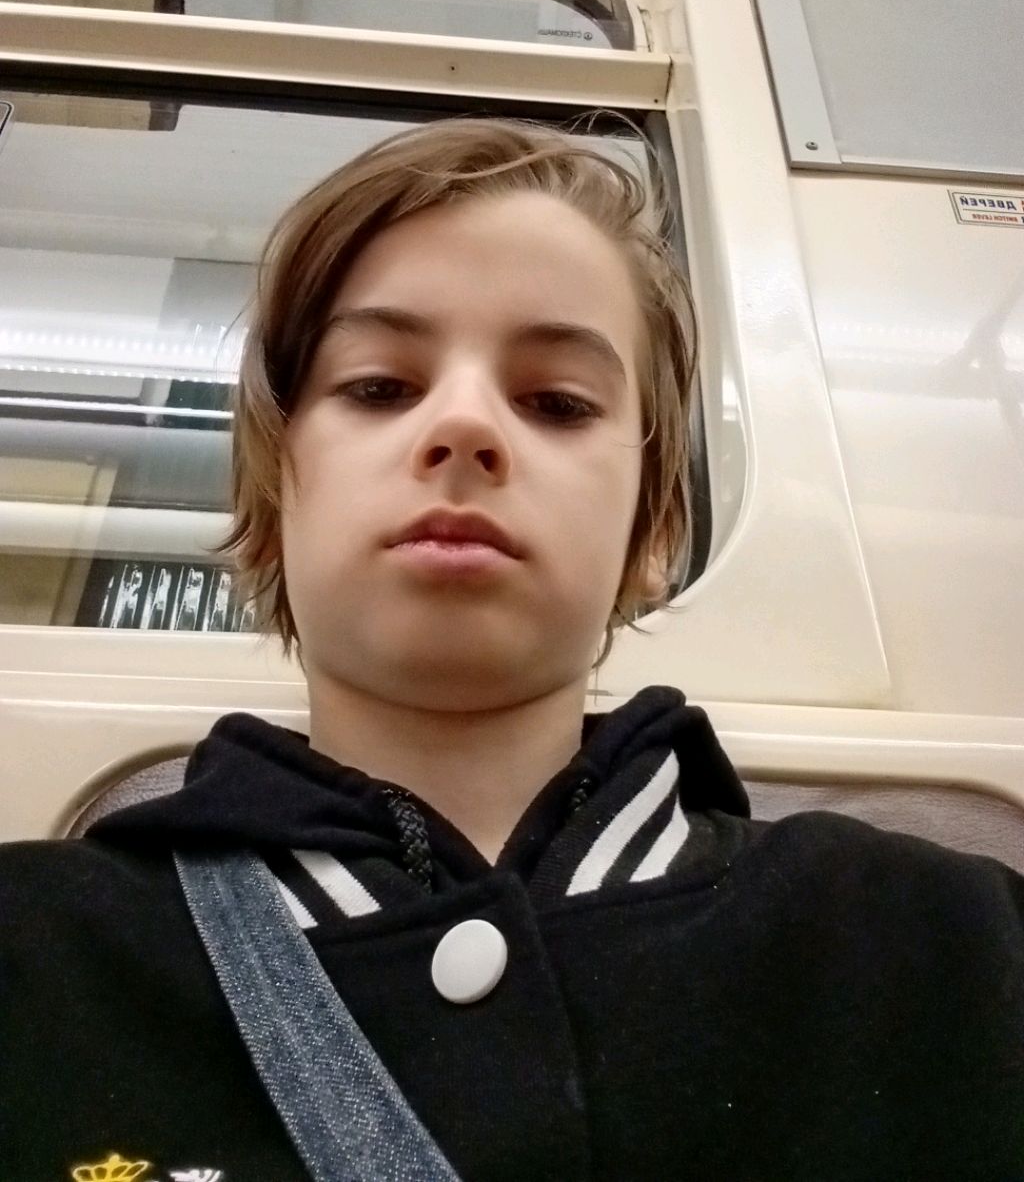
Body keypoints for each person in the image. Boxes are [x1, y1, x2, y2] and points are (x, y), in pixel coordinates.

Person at [1, 117, 1022, 1182]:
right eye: (379, 387)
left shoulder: (954, 945)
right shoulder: (36, 956)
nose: (464, 425)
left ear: (655, 533)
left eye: (556, 402)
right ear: (274, 493)